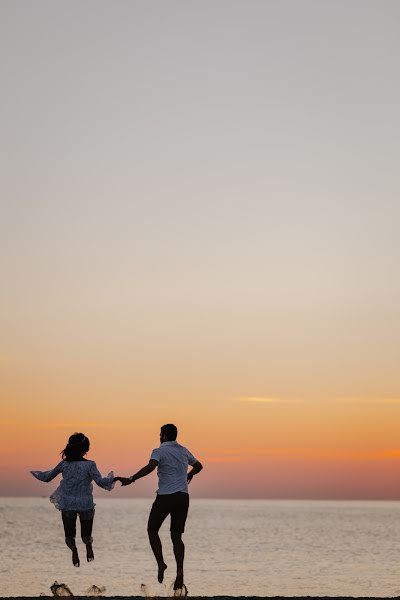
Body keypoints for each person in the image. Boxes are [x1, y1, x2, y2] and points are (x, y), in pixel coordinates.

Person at [115, 424, 203, 591]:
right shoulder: (184, 450)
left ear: (163, 435)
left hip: (165, 497)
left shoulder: (159, 451)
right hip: (183, 497)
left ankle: (161, 563)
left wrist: (132, 478)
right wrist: (189, 475)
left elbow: (150, 467)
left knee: (152, 529)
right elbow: (199, 466)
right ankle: (180, 573)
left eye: (160, 434)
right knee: (176, 536)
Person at [30, 432, 115, 567]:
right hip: (85, 503)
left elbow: (47, 477)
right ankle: (88, 545)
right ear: (85, 449)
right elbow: (101, 482)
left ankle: (74, 551)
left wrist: (36, 473)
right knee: (86, 535)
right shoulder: (90, 465)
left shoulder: (64, 464)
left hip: (68, 503)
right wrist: (113, 478)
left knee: (69, 536)